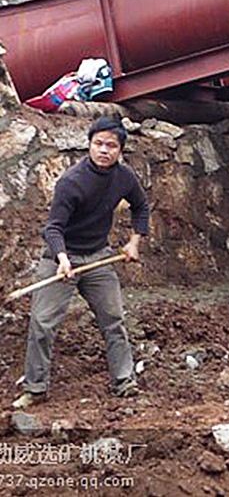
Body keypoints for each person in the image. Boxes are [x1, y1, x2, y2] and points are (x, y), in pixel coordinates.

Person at [12, 117, 149, 409]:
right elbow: (53, 228)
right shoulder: (72, 181)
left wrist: (134, 241)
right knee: (42, 323)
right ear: (89, 145)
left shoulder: (124, 177)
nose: (103, 150)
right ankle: (35, 389)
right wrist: (62, 260)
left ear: (120, 150)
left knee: (113, 320)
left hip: (98, 256)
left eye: (111, 145)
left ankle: (125, 381)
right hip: (61, 257)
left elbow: (141, 206)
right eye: (98, 143)